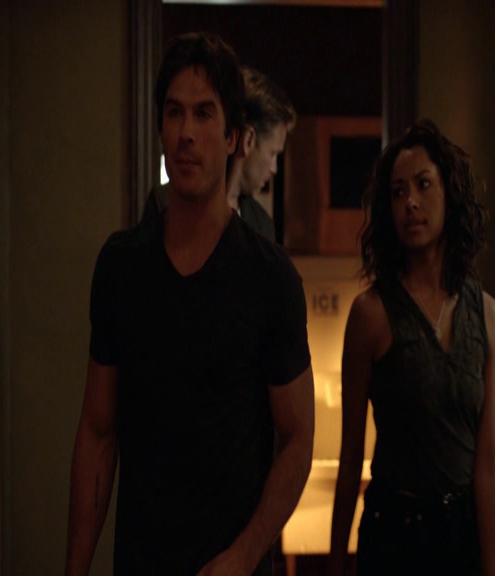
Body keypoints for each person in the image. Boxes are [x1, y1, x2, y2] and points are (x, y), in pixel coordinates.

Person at [65, 32, 314, 576]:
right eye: (174, 113)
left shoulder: (269, 276)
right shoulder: (122, 265)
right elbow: (98, 431)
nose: (185, 134)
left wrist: (245, 555)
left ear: (232, 137)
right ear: (159, 129)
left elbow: (298, 438)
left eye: (204, 114)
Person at [327, 119, 495, 576]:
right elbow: (350, 455)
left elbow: (488, 462)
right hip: (395, 534)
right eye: (398, 192)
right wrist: (336, 562)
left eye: (423, 185)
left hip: (460, 534)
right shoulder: (372, 314)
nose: (410, 203)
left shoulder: (486, 315)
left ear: (449, 193)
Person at [143, 65, 296, 244]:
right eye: (272, 153)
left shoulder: (262, 224)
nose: (274, 168)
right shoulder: (166, 203)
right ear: (248, 140)